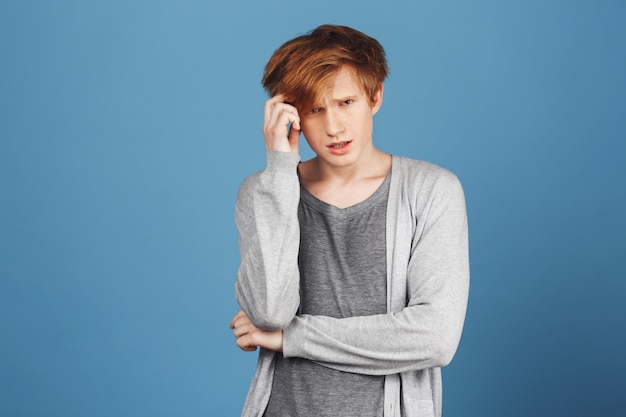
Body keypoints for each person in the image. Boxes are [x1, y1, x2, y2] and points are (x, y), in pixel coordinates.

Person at [230, 24, 469, 417]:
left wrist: (289, 337)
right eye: (315, 109)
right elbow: (270, 311)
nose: (334, 127)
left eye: (345, 102)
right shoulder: (262, 193)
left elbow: (435, 337)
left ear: (375, 96)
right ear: (291, 114)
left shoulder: (431, 191)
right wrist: (279, 168)